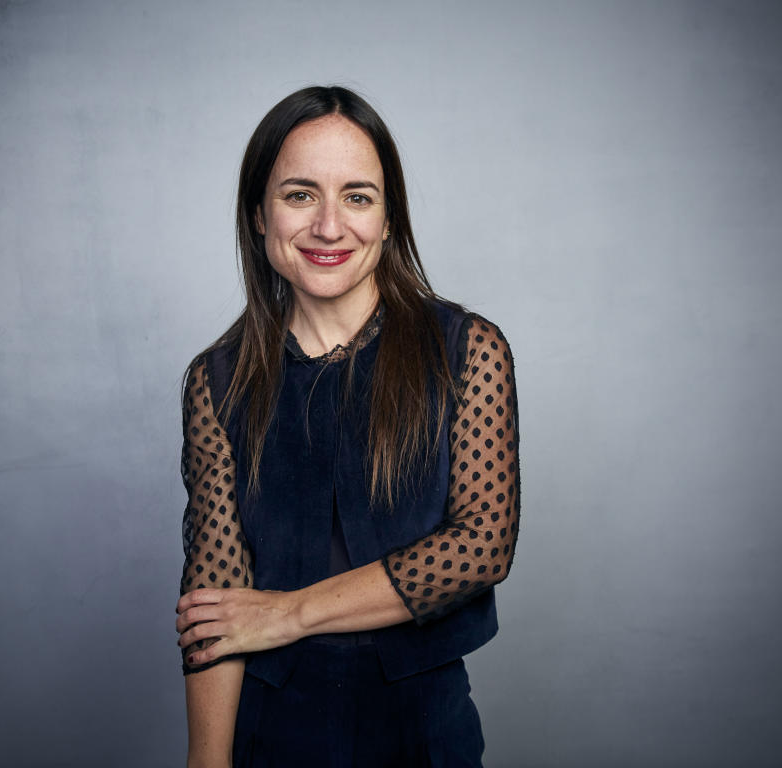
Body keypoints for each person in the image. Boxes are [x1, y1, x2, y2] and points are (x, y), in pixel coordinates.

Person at [175, 85, 520, 768]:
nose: (329, 227)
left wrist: (286, 612)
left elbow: (481, 546)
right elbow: (214, 604)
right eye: (300, 195)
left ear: (389, 220)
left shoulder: (468, 349)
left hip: (426, 736)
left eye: (358, 197)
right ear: (258, 215)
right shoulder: (215, 380)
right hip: (270, 737)